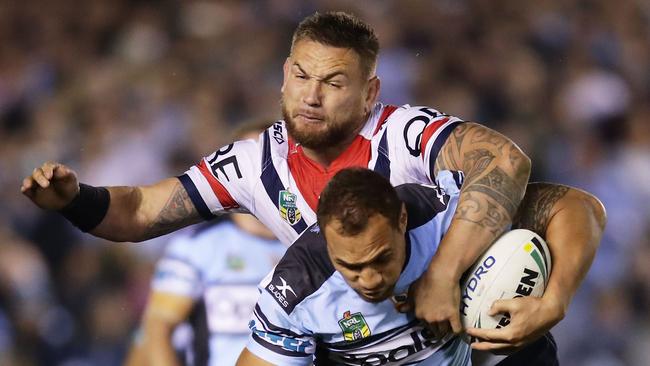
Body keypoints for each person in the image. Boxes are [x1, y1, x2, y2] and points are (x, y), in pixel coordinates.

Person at [21, 11, 601, 358]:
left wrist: (469, 281)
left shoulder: (406, 138)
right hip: (360, 354)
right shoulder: (253, 166)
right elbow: (141, 210)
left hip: (487, 352)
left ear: (370, 93)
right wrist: (76, 200)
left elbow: (518, 170)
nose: (312, 95)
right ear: (283, 76)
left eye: (333, 82)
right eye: (300, 75)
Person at [235, 168, 606, 366]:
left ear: (402, 220)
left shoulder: (452, 217)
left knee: (535, 350)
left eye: (381, 258)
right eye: (350, 266)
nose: (370, 279)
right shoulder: (296, 291)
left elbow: (578, 207)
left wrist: (555, 301)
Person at [123, 123, 287, 366]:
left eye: (270, 162)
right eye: (249, 162)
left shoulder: (312, 241)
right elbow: (156, 331)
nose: (259, 173)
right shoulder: (197, 247)